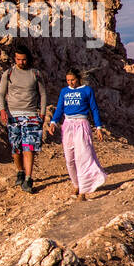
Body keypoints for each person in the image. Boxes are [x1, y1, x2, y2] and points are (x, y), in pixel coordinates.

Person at [46, 68, 107, 200]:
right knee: (69, 159)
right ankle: (76, 184)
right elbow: (60, 108)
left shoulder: (87, 90)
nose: (70, 82)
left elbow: (94, 109)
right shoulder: (64, 91)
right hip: (67, 125)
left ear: (78, 78)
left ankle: (83, 192)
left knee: (82, 157)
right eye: (68, 80)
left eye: (72, 79)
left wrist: (98, 127)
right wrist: (53, 123)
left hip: (82, 124)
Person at [0, 45, 48, 193]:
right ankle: (20, 171)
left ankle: (28, 178)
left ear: (28, 59)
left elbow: (43, 94)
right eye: (19, 59)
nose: (21, 62)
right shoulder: (8, 73)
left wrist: (43, 112)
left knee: (29, 147)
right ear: (15, 59)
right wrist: (2, 110)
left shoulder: (35, 74)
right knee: (16, 148)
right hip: (13, 115)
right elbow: (1, 94)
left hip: (31, 115)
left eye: (24, 59)